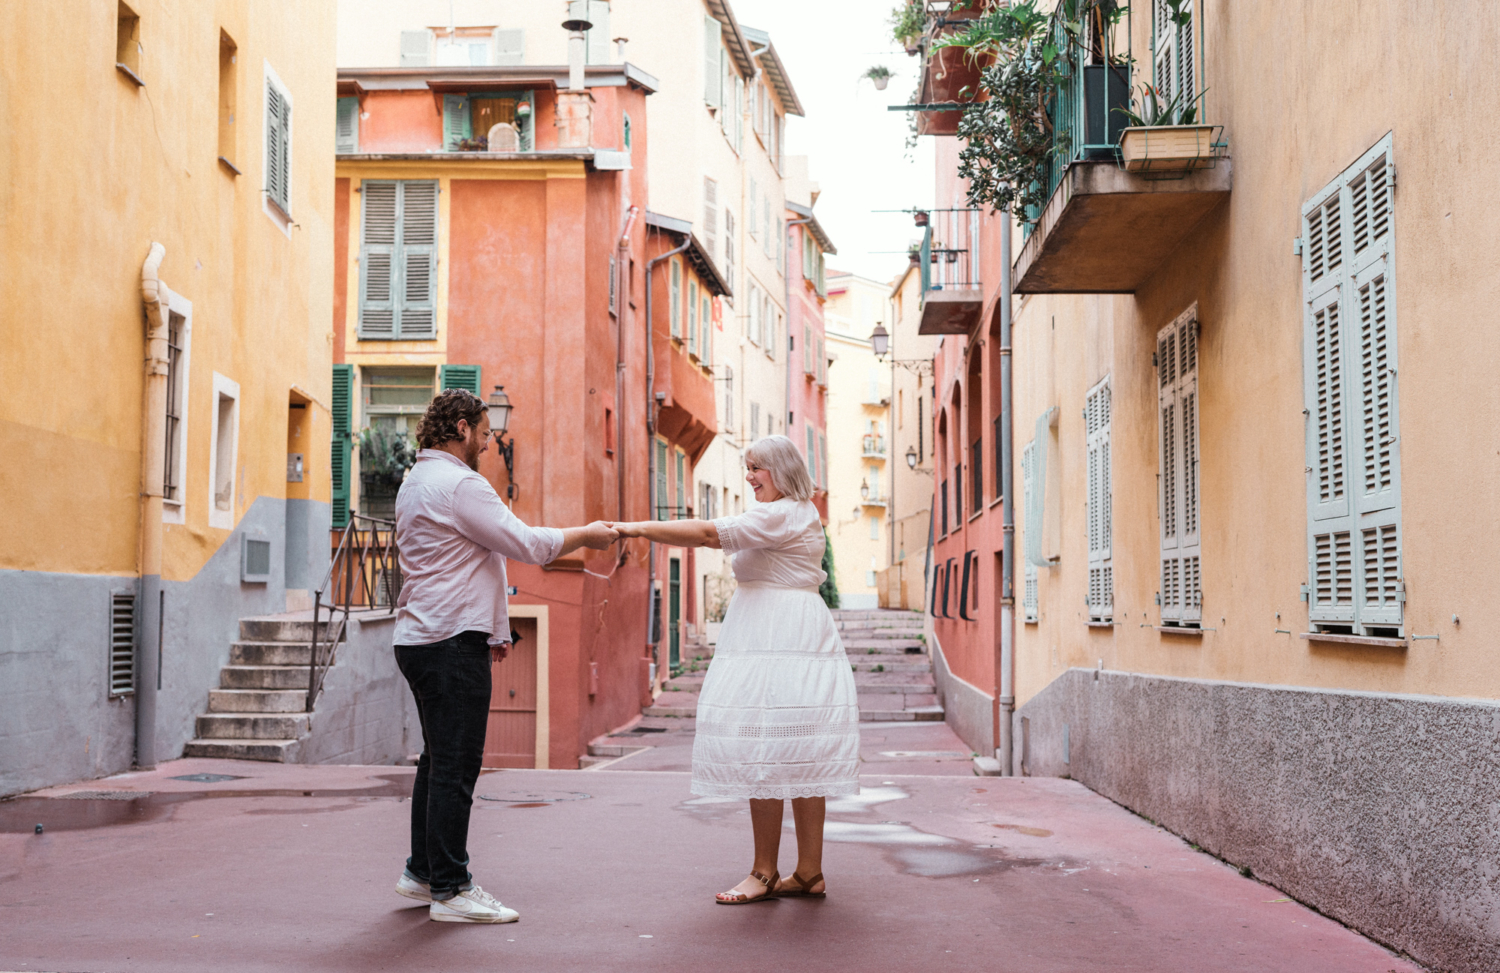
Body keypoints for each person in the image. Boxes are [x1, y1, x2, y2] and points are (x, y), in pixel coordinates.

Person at [390, 389, 617, 923]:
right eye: (487, 432)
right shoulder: (461, 483)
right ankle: (451, 889)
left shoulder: (414, 481)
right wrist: (587, 534)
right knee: (457, 765)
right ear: (464, 428)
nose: (491, 443)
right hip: (449, 640)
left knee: (436, 759)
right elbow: (527, 545)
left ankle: (422, 873)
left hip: (421, 638)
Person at [609, 435, 858, 903]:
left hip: (776, 638)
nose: (748, 476)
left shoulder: (780, 512)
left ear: (781, 470)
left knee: (764, 750)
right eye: (746, 466)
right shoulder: (796, 511)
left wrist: (635, 528)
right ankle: (808, 872)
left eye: (756, 467)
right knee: (798, 753)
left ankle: (764, 873)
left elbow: (706, 534)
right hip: (792, 634)